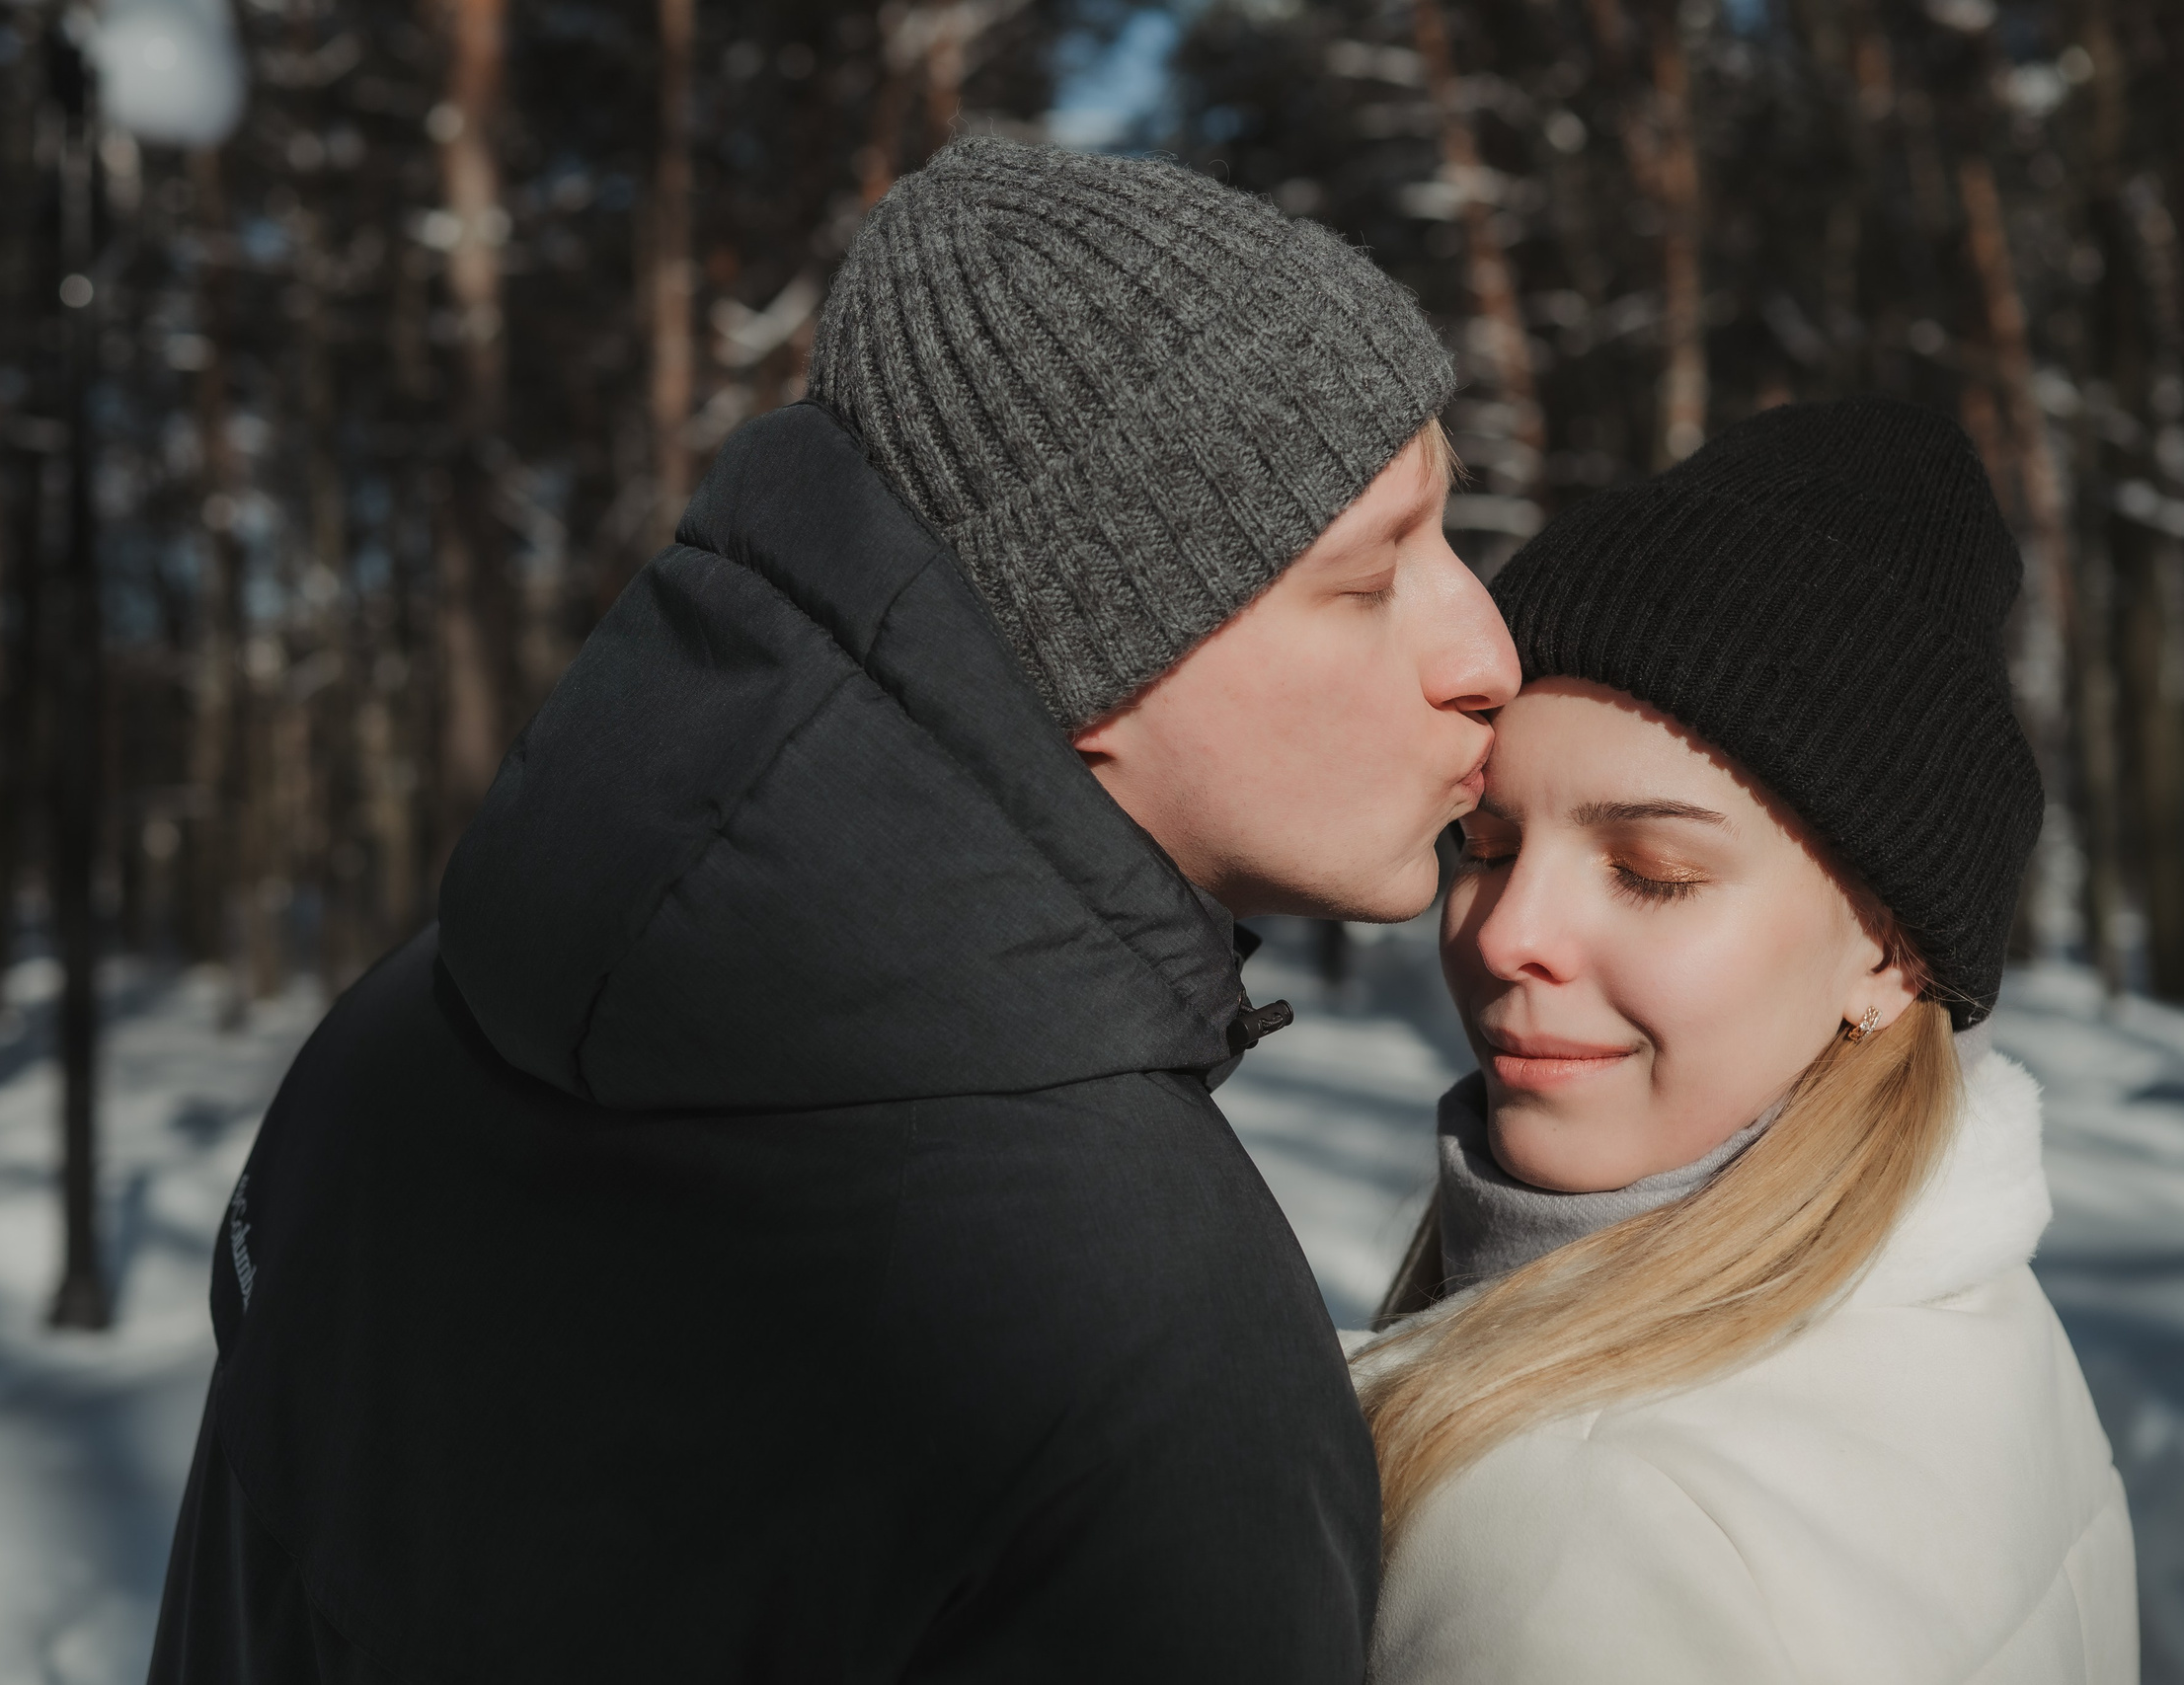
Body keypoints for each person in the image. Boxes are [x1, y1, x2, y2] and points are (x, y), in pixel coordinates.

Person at [150, 137, 1516, 1683]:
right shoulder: (1134, 1323)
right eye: (1369, 576)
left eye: (1450, 534)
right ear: (1093, 642)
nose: (1485, 655)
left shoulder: (413, 1033)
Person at [1357, 400, 2138, 1684]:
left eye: (1651, 871)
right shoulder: (1967, 1303)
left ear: (1887, 952)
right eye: (1485, 846)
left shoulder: (1578, 1525)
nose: (1507, 934)